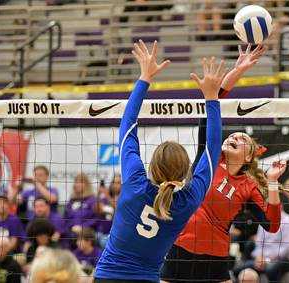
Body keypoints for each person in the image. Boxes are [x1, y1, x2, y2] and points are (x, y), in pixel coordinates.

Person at [161, 44, 289, 283]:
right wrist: (238, 71)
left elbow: (273, 225)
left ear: (248, 157)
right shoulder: (209, 159)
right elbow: (211, 107)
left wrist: (273, 183)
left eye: (242, 139)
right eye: (232, 135)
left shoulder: (248, 186)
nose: (234, 136)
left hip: (215, 258)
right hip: (181, 249)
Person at [94, 40, 224, 282]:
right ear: (186, 171)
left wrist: (145, 78)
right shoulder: (188, 200)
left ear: (152, 167)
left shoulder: (135, 183)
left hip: (107, 276)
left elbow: (127, 128)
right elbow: (213, 149)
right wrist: (211, 98)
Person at [235, 208, 289, 282]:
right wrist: (259, 257)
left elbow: (286, 249)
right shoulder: (264, 221)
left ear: (280, 205)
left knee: (271, 270)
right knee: (237, 270)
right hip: (263, 259)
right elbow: (258, 244)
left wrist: (266, 259)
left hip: (285, 260)